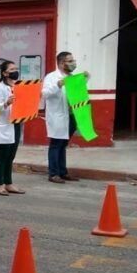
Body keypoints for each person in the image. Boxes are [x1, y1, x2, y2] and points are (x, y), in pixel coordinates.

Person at [42, 51, 88, 184]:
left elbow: (79, 93)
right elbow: (44, 94)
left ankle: (63, 172)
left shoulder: (73, 77)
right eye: (71, 61)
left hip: (71, 116)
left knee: (63, 145)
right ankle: (54, 173)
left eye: (73, 60)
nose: (74, 63)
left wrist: (85, 79)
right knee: (56, 145)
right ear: (62, 63)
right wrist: (58, 85)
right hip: (57, 116)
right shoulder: (52, 77)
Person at [0, 61, 25, 196]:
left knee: (11, 156)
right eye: (12, 69)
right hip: (4, 125)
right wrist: (7, 103)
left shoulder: (19, 85)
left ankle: (9, 183)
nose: (15, 71)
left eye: (16, 68)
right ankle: (0, 185)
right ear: (5, 73)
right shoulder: (0, 88)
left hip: (16, 124)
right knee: (2, 157)